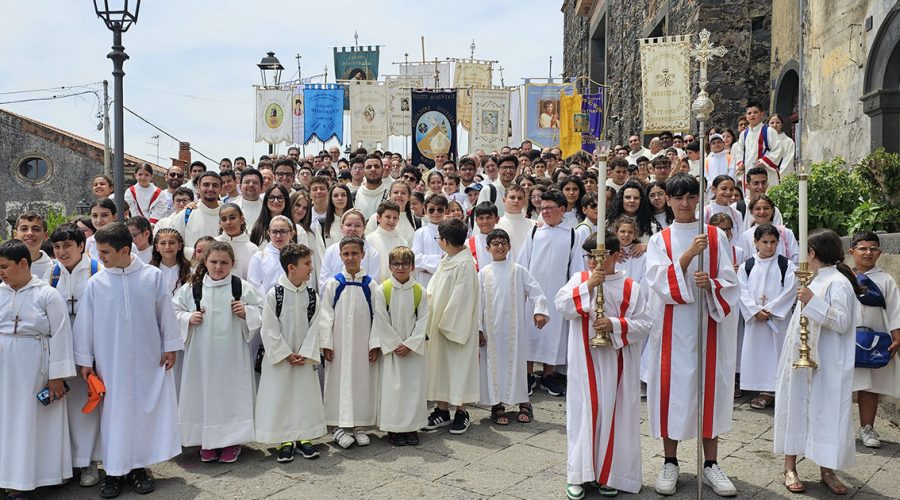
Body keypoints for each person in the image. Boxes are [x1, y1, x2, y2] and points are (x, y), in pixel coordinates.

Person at [644, 174, 739, 497]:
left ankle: (711, 464)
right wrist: (686, 257)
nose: (684, 204)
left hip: (707, 326)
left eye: (690, 197)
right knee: (672, 394)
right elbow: (657, 281)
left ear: (699, 198)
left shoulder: (715, 236)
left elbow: (731, 282)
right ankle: (670, 461)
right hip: (671, 328)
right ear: (668, 201)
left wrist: (711, 285)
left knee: (707, 393)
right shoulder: (661, 240)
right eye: (678, 198)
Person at [73, 223, 182, 498]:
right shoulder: (97, 281)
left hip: (147, 358)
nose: (101, 257)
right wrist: (85, 360)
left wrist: (170, 346)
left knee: (142, 412)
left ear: (125, 250)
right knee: (113, 415)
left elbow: (165, 313)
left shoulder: (152, 277)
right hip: (110, 362)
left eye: (106, 252)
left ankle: (138, 468)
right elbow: (86, 323)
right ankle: (113, 471)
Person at [556, 231, 651, 498]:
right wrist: (587, 287)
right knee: (584, 413)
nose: (591, 263)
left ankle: (611, 474)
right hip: (584, 362)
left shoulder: (632, 287)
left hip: (617, 361)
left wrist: (615, 325)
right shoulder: (579, 280)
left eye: (597, 256)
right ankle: (578, 474)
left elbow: (645, 324)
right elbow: (562, 306)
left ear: (614, 255)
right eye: (588, 257)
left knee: (614, 415)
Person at [774, 229, 861, 495]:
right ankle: (790, 466)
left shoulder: (839, 282)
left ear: (812, 253)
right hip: (801, 357)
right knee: (795, 405)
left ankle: (827, 469)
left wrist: (812, 301)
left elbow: (842, 322)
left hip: (827, 360)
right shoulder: (814, 279)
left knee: (828, 412)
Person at [173, 241, 262, 464]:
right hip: (201, 356)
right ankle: (206, 440)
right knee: (203, 393)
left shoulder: (240, 287)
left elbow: (261, 309)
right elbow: (173, 311)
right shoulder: (193, 288)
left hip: (232, 354)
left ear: (233, 264)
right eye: (214, 262)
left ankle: (232, 440)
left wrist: (246, 312)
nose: (218, 267)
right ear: (206, 262)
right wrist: (188, 318)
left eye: (224, 263)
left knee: (230, 394)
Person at [0, 240, 76, 498]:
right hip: (5, 369)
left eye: (4, 267)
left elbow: (62, 336)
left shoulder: (47, 294)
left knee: (31, 422)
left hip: (35, 368)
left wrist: (56, 377)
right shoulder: (0, 291)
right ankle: (7, 475)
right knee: (7, 422)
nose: (1, 272)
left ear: (23, 264)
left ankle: (35, 477)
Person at [316, 236, 390, 449]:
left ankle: (359, 424)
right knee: (338, 381)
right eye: (346, 254)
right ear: (340, 256)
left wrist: (375, 343)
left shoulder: (371, 285)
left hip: (362, 344)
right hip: (338, 345)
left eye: (355, 253)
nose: (350, 258)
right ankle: (338, 425)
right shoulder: (334, 284)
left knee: (361, 380)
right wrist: (326, 343)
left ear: (363, 255)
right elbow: (325, 314)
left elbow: (379, 316)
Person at [255, 243, 326, 462]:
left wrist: (305, 351)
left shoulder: (312, 295)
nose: (311, 268)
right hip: (281, 359)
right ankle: (285, 439)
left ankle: (305, 437)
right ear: (291, 268)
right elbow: (268, 327)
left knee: (304, 396)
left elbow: (317, 324)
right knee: (282, 396)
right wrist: (286, 353)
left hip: (304, 357)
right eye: (306, 264)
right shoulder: (274, 294)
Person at [48, 224, 104, 486]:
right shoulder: (53, 273)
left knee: (87, 408)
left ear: (82, 246)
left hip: (89, 351)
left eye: (67, 245)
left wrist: (91, 355)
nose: (61, 251)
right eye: (57, 246)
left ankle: (90, 462)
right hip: (61, 351)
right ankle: (68, 463)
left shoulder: (97, 271)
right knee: (64, 409)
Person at [517, 191, 586, 397]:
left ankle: (549, 374)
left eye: (549, 207)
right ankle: (528, 374)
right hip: (533, 293)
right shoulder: (534, 233)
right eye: (542, 208)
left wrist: (571, 293)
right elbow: (523, 263)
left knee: (554, 333)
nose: (544, 211)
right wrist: (523, 290)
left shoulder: (572, 235)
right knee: (529, 332)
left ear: (562, 210)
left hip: (558, 293)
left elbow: (576, 268)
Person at [478, 229, 548, 426]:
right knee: (493, 365)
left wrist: (539, 310)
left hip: (514, 330)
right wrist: (478, 329)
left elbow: (536, 291)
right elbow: (477, 303)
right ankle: (496, 404)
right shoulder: (484, 273)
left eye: (503, 243)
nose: (499, 247)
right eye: (495, 244)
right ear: (488, 248)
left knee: (516, 364)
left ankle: (523, 402)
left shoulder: (518, 270)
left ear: (509, 246)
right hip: (491, 331)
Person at [422, 219, 481, 435]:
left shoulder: (465, 265)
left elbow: (461, 300)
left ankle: (462, 411)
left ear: (446, 241)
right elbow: (435, 288)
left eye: (439, 238)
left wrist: (446, 323)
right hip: (438, 324)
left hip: (454, 326)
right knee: (440, 368)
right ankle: (442, 409)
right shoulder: (449, 259)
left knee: (457, 368)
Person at [737, 224, 797, 409]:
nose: (769, 246)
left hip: (778, 319)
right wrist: (755, 310)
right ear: (755, 242)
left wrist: (770, 309)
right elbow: (741, 290)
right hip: (756, 320)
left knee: (776, 353)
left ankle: (774, 390)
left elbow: (790, 290)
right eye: (764, 242)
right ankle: (761, 388)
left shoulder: (786, 264)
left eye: (773, 242)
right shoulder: (747, 265)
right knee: (757, 354)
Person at [849, 231, 900, 449]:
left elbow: (895, 310)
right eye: (863, 248)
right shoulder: (843, 277)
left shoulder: (885, 279)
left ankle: (867, 427)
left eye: (873, 248)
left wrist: (896, 337)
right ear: (852, 252)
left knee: (869, 385)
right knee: (842, 383)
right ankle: (837, 428)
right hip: (847, 337)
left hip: (875, 340)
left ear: (879, 252)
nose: (868, 253)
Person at [377, 247, 430, 447]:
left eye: (405, 264)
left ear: (413, 267)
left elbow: (423, 319)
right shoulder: (383, 290)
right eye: (396, 264)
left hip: (413, 351)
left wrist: (410, 344)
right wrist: (395, 344)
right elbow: (381, 320)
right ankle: (394, 428)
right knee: (393, 389)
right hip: (393, 351)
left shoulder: (420, 291)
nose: (400, 268)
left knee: (413, 388)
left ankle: (412, 426)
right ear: (390, 267)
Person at [318, 210, 381, 293]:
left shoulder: (372, 254)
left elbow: (373, 284)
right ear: (342, 227)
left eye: (357, 225)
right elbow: (324, 282)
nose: (353, 229)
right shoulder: (331, 251)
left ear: (364, 228)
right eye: (348, 225)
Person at [733, 102, 783, 188]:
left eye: (755, 112)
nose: (752, 115)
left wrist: (764, 161)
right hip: (748, 172)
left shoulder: (769, 131)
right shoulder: (744, 134)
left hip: (766, 172)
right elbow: (739, 152)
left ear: (762, 114)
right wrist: (741, 163)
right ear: (746, 116)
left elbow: (778, 149)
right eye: (749, 113)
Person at [174, 171, 223, 258]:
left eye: (215, 185)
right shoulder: (186, 214)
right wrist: (195, 253)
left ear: (221, 188)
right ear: (198, 187)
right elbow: (173, 244)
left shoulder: (227, 215)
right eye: (206, 185)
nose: (210, 189)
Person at [736, 195, 797, 264]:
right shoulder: (745, 237)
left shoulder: (786, 233)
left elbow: (795, 260)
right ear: (751, 211)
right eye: (758, 209)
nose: (762, 212)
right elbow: (741, 262)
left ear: (772, 210)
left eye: (766, 208)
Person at [248, 216, 297, 294]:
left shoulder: (298, 257)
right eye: (274, 232)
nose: (278, 236)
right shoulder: (259, 257)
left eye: (283, 231)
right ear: (269, 233)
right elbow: (254, 287)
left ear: (291, 234)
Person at [411, 194, 448, 287]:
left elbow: (452, 260)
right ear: (425, 210)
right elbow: (416, 260)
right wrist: (441, 260)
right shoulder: (420, 233)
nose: (436, 213)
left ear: (446, 210)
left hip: (446, 280)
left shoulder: (451, 232)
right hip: (425, 282)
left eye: (440, 209)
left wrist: (426, 265)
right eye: (431, 209)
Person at [366, 201, 407, 282]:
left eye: (395, 218)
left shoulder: (403, 242)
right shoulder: (369, 240)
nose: (392, 221)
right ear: (378, 218)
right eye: (388, 217)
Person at [215, 204, 258, 280]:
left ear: (242, 220)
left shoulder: (253, 249)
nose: (228, 222)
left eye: (232, 218)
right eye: (224, 219)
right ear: (220, 223)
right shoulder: (213, 243)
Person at [313, 184, 353, 263]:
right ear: (330, 199)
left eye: (343, 195)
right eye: (335, 195)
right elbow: (321, 253)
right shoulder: (322, 224)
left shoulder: (356, 223)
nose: (340, 198)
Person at [496, 185, 536, 261]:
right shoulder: (496, 225)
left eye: (520, 198)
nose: (516, 201)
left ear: (524, 202)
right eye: (512, 197)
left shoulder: (533, 225)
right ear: (504, 200)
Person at [14, 211, 54, 280]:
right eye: (24, 229)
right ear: (15, 234)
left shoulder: (55, 269)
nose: (30, 233)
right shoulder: (4, 265)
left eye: (36, 229)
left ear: (46, 235)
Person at [150, 228, 191, 295]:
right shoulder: (150, 272)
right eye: (163, 243)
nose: (167, 247)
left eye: (172, 243)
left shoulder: (189, 271)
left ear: (179, 246)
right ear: (157, 247)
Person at [354, 154, 391, 220]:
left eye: (376, 166)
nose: (373, 169)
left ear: (382, 170)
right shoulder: (354, 197)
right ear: (363, 171)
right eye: (369, 167)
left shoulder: (390, 196)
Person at [467, 202, 499, 271]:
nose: (485, 221)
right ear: (476, 221)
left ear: (496, 219)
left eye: (488, 218)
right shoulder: (468, 244)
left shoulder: (502, 242)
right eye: (481, 218)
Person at [613, 216, 646, 281]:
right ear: (616, 233)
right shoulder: (610, 253)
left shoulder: (643, 255)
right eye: (622, 231)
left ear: (635, 235)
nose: (626, 234)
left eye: (630, 232)